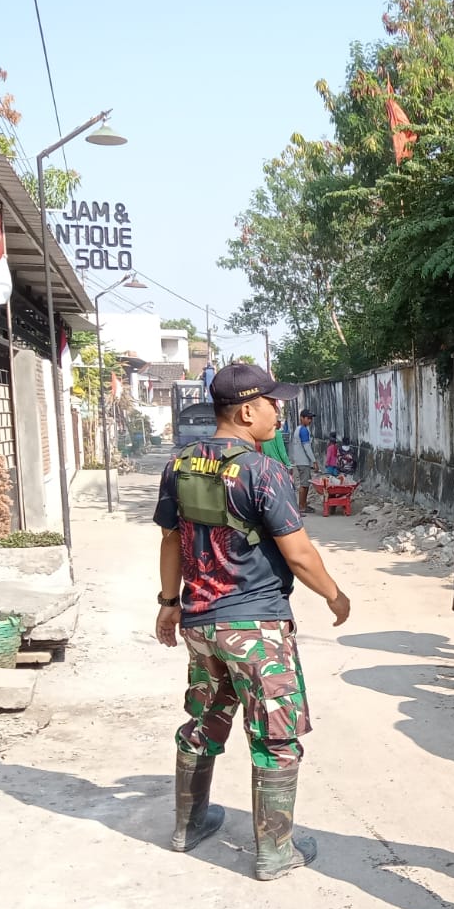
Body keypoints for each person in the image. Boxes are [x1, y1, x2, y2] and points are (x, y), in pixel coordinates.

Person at [153, 362, 353, 881]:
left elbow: (171, 539)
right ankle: (273, 851)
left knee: (203, 721)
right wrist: (335, 595)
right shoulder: (263, 471)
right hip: (256, 627)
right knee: (276, 736)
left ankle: (187, 826)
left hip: (201, 625)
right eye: (271, 402)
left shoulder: (180, 465)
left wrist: (168, 602)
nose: (278, 410)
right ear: (246, 410)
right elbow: (301, 553)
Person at [288, 408, 318, 512]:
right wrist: (314, 461)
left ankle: (303, 504)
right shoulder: (304, 430)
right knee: (304, 484)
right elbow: (307, 447)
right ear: (302, 418)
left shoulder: (298, 429)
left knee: (305, 484)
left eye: (310, 419)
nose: (310, 420)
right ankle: (301, 506)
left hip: (299, 460)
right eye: (308, 418)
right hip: (303, 461)